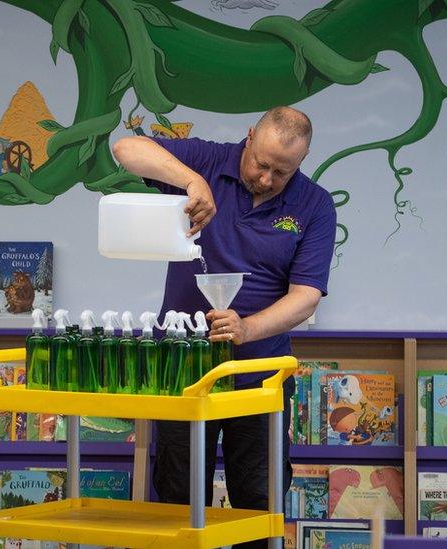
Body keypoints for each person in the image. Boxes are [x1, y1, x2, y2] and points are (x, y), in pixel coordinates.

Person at [112, 106, 336, 548]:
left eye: (282, 171)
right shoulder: (208, 161)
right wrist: (191, 181)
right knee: (178, 494)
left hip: (260, 377)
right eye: (262, 164)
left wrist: (247, 329)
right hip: (182, 373)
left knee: (258, 496)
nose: (268, 179)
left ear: (302, 162)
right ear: (248, 137)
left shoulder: (315, 205)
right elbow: (125, 148)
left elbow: (306, 294)